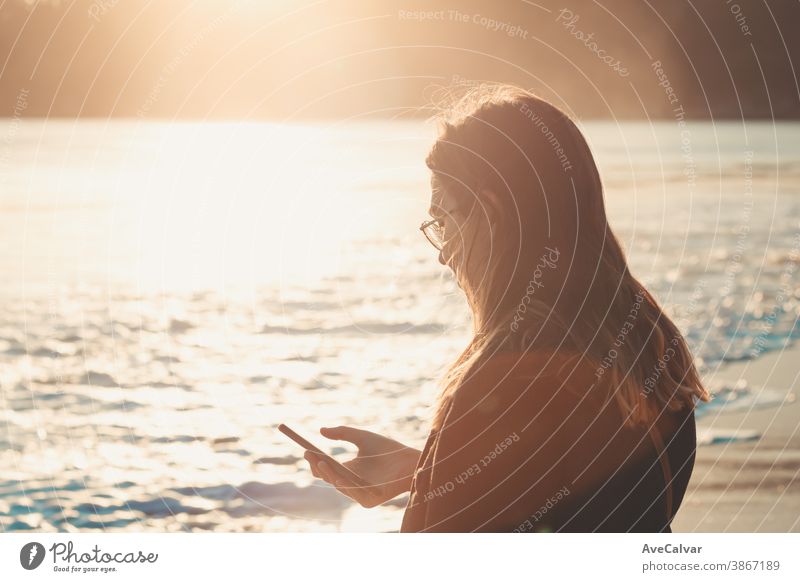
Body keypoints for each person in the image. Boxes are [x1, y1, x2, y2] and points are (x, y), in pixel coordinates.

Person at [304, 84, 710, 532]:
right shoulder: (648, 339)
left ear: (491, 212)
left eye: (442, 220)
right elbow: (583, 498)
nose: (443, 253)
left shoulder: (512, 373)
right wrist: (427, 473)